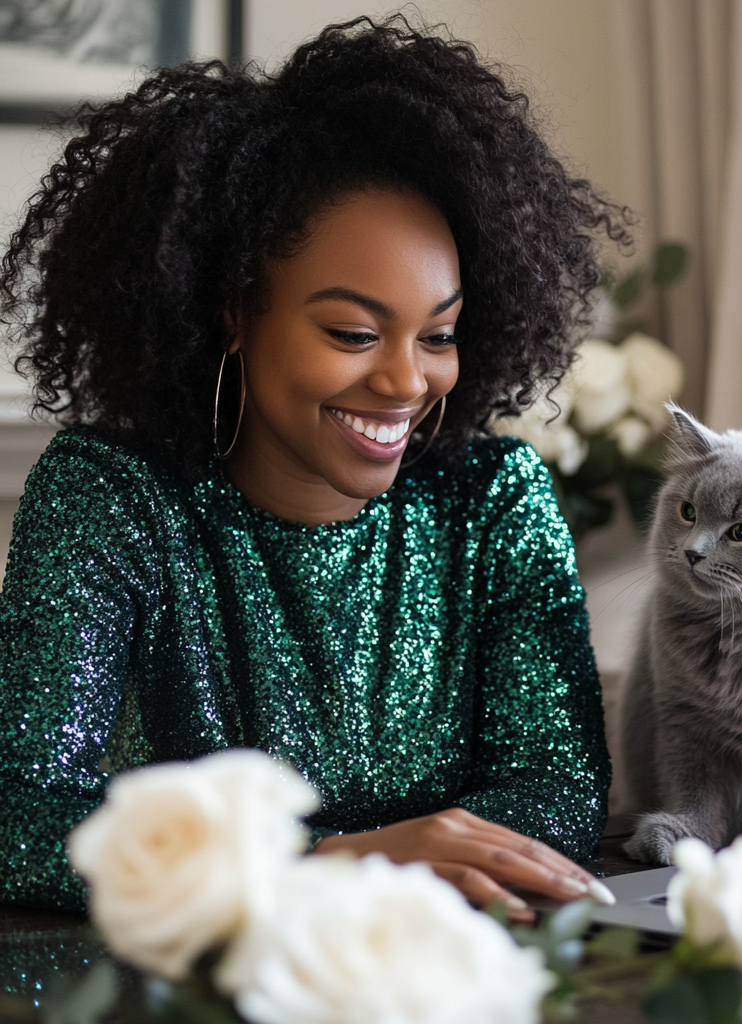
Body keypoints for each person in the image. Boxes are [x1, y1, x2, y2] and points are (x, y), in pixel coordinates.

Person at [0, 17, 629, 918]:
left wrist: (404, 872)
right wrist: (334, 864)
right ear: (232, 314)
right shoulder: (115, 498)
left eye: (440, 336)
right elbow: (22, 818)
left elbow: (556, 790)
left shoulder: (496, 500)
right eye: (353, 333)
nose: (408, 382)